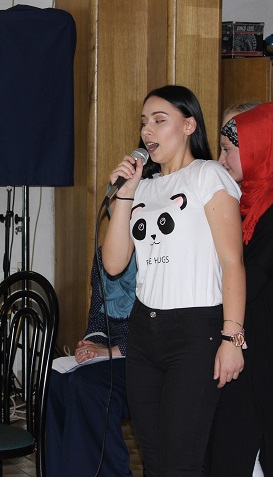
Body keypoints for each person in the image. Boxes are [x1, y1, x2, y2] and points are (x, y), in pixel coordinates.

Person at [102, 85, 246, 476]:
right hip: (144, 330)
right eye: (143, 122)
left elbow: (233, 262)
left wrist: (232, 338)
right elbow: (113, 264)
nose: (147, 130)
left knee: (181, 460)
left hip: (195, 331)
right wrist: (124, 196)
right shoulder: (142, 188)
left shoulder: (208, 175)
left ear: (188, 125)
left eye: (159, 120)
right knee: (153, 457)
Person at [206, 102, 273, 476]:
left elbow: (245, 281)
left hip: (263, 356)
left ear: (257, 150)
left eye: (227, 150)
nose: (220, 160)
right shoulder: (245, 202)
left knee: (251, 452)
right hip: (243, 346)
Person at [45, 249, 136, 477]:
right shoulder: (103, 255)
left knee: (86, 384)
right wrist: (90, 346)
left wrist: (111, 351)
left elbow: (158, 330)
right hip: (110, 354)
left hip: (142, 355)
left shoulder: (154, 252)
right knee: (54, 380)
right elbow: (96, 320)